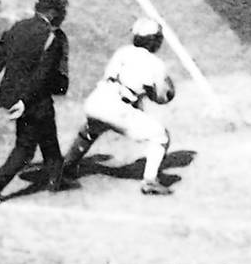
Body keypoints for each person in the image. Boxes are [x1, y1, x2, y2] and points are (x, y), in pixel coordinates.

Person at [58, 17, 178, 196]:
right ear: (154, 40)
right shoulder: (156, 65)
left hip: (96, 101)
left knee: (91, 130)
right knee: (161, 136)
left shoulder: (123, 52)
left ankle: (64, 168)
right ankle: (150, 181)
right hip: (116, 108)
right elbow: (160, 97)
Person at [0, 0, 73, 202]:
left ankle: (56, 177)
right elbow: (42, 75)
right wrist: (25, 102)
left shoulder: (18, 28)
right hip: (33, 99)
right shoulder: (52, 38)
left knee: (48, 133)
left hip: (14, 94)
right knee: (25, 148)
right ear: (54, 12)